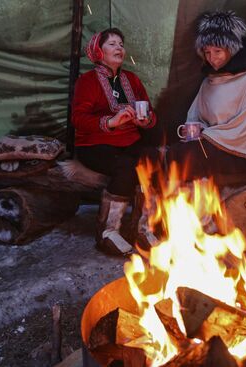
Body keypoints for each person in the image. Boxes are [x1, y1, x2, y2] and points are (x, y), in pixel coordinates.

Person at [166, 11, 246, 183]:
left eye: (218, 51)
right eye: (207, 52)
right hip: (213, 147)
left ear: (231, 50)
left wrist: (208, 135)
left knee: (186, 155)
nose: (212, 58)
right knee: (176, 152)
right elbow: (196, 117)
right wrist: (196, 129)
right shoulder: (209, 82)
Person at [71, 28, 157, 256]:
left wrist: (145, 119)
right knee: (125, 167)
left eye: (121, 43)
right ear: (99, 51)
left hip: (129, 141)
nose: (119, 47)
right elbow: (78, 119)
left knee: (153, 161)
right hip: (95, 144)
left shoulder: (132, 79)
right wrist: (111, 121)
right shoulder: (87, 82)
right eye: (112, 44)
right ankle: (107, 232)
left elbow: (149, 112)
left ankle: (142, 228)